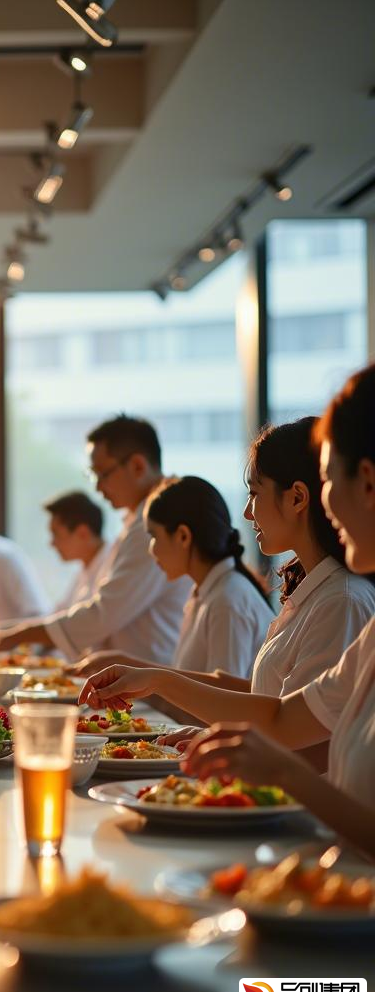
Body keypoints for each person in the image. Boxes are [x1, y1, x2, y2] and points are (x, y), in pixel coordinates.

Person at [81, 364, 375, 858]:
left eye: (329, 478)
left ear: (364, 481)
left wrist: (272, 765)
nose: (248, 512)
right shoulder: (340, 608)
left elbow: (294, 738)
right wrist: (156, 678)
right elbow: (280, 714)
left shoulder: (343, 600)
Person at [76, 420, 375, 702]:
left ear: (297, 497)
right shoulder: (311, 593)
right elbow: (267, 703)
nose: (247, 512)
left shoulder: (341, 601)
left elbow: (288, 724)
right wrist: (149, 677)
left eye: (254, 493)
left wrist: (158, 682)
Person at [0, 416, 191, 662]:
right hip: (132, 681)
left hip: (149, 682)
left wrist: (19, 635)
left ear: (137, 466)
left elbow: (104, 613)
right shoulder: (135, 522)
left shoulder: (153, 526)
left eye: (102, 474)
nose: (98, 488)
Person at [73, 476, 273, 678]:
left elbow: (224, 700)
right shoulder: (209, 592)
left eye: (153, 537)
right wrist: (124, 664)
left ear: (183, 536)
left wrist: (135, 670)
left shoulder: (228, 600)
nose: (151, 551)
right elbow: (193, 687)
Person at [42, 490, 109, 612]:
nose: (52, 544)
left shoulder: (111, 569)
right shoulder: (84, 571)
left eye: (56, 534)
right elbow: (57, 616)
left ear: (83, 534)